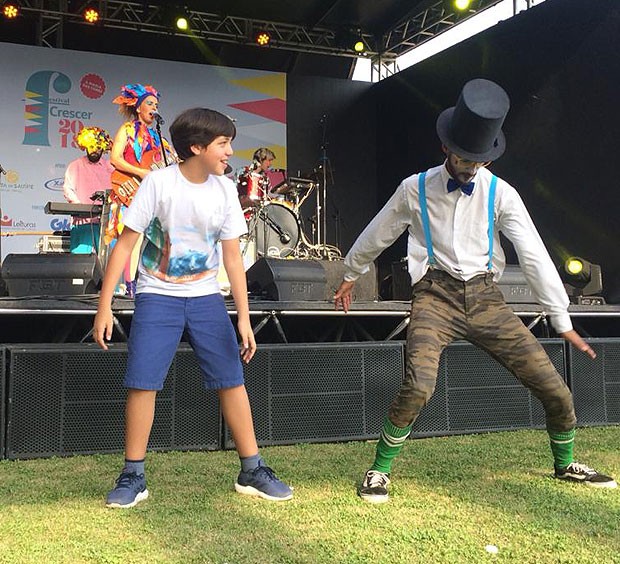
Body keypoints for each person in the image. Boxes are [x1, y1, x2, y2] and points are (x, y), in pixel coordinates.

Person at [334, 78, 617, 503]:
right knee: (419, 386)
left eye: (479, 160)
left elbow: (533, 252)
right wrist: (351, 272)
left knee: (555, 388)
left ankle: (565, 465)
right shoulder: (415, 187)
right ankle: (379, 471)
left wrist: (560, 319)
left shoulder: (501, 193)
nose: (471, 167)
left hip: (487, 299)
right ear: (446, 148)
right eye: (465, 157)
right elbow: (380, 231)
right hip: (434, 296)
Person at [93, 107, 292, 508]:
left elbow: (233, 259)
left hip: (205, 297)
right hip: (156, 295)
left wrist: (245, 319)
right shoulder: (158, 184)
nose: (230, 152)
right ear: (197, 147)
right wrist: (104, 306)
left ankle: (252, 469)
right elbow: (126, 245)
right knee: (142, 381)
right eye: (223, 144)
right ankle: (133, 474)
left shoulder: (224, 190)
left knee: (231, 379)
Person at [106, 83, 174, 297]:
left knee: (157, 238)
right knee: (131, 239)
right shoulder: (127, 130)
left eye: (156, 104)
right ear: (138, 107)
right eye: (150, 103)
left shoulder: (158, 138)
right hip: (129, 189)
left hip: (150, 194)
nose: (154, 107)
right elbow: (115, 159)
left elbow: (168, 162)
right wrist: (140, 172)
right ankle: (129, 285)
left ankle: (153, 282)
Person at [63, 126, 113, 254]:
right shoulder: (75, 166)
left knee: (107, 265)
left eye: (97, 147)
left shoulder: (110, 168)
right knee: (79, 265)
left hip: (106, 224)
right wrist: (79, 207)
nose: (94, 151)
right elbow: (68, 190)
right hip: (83, 222)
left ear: (103, 148)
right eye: (91, 147)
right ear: (85, 147)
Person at [236, 147, 276, 211]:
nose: (270, 164)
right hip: (241, 209)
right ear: (260, 160)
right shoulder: (242, 171)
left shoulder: (265, 178)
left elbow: (265, 197)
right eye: (269, 160)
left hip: (257, 212)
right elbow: (234, 191)